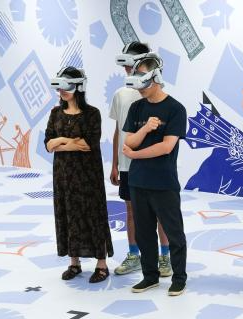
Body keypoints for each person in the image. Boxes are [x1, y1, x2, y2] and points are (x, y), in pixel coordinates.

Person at [122, 53, 188, 296]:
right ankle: (149, 276)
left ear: (156, 77)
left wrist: (135, 155)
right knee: (144, 233)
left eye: (144, 81)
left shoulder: (175, 109)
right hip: (138, 182)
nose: (140, 89)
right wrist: (146, 129)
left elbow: (167, 146)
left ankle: (179, 278)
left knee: (174, 232)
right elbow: (129, 141)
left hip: (163, 182)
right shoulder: (136, 107)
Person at [110, 42, 172, 278]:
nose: (128, 67)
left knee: (160, 211)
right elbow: (118, 131)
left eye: (132, 62)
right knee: (131, 210)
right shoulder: (120, 94)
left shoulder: (155, 92)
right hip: (127, 165)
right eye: (125, 62)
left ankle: (165, 256)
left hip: (152, 164)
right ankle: (134, 255)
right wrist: (114, 164)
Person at [45, 67, 112, 283]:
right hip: (63, 177)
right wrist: (65, 141)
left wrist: (60, 142)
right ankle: (74, 263)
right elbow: (48, 144)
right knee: (68, 215)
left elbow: (87, 144)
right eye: (60, 87)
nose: (62, 91)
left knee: (93, 215)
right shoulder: (55, 113)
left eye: (67, 86)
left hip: (88, 176)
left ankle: (101, 265)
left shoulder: (92, 113)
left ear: (79, 87)